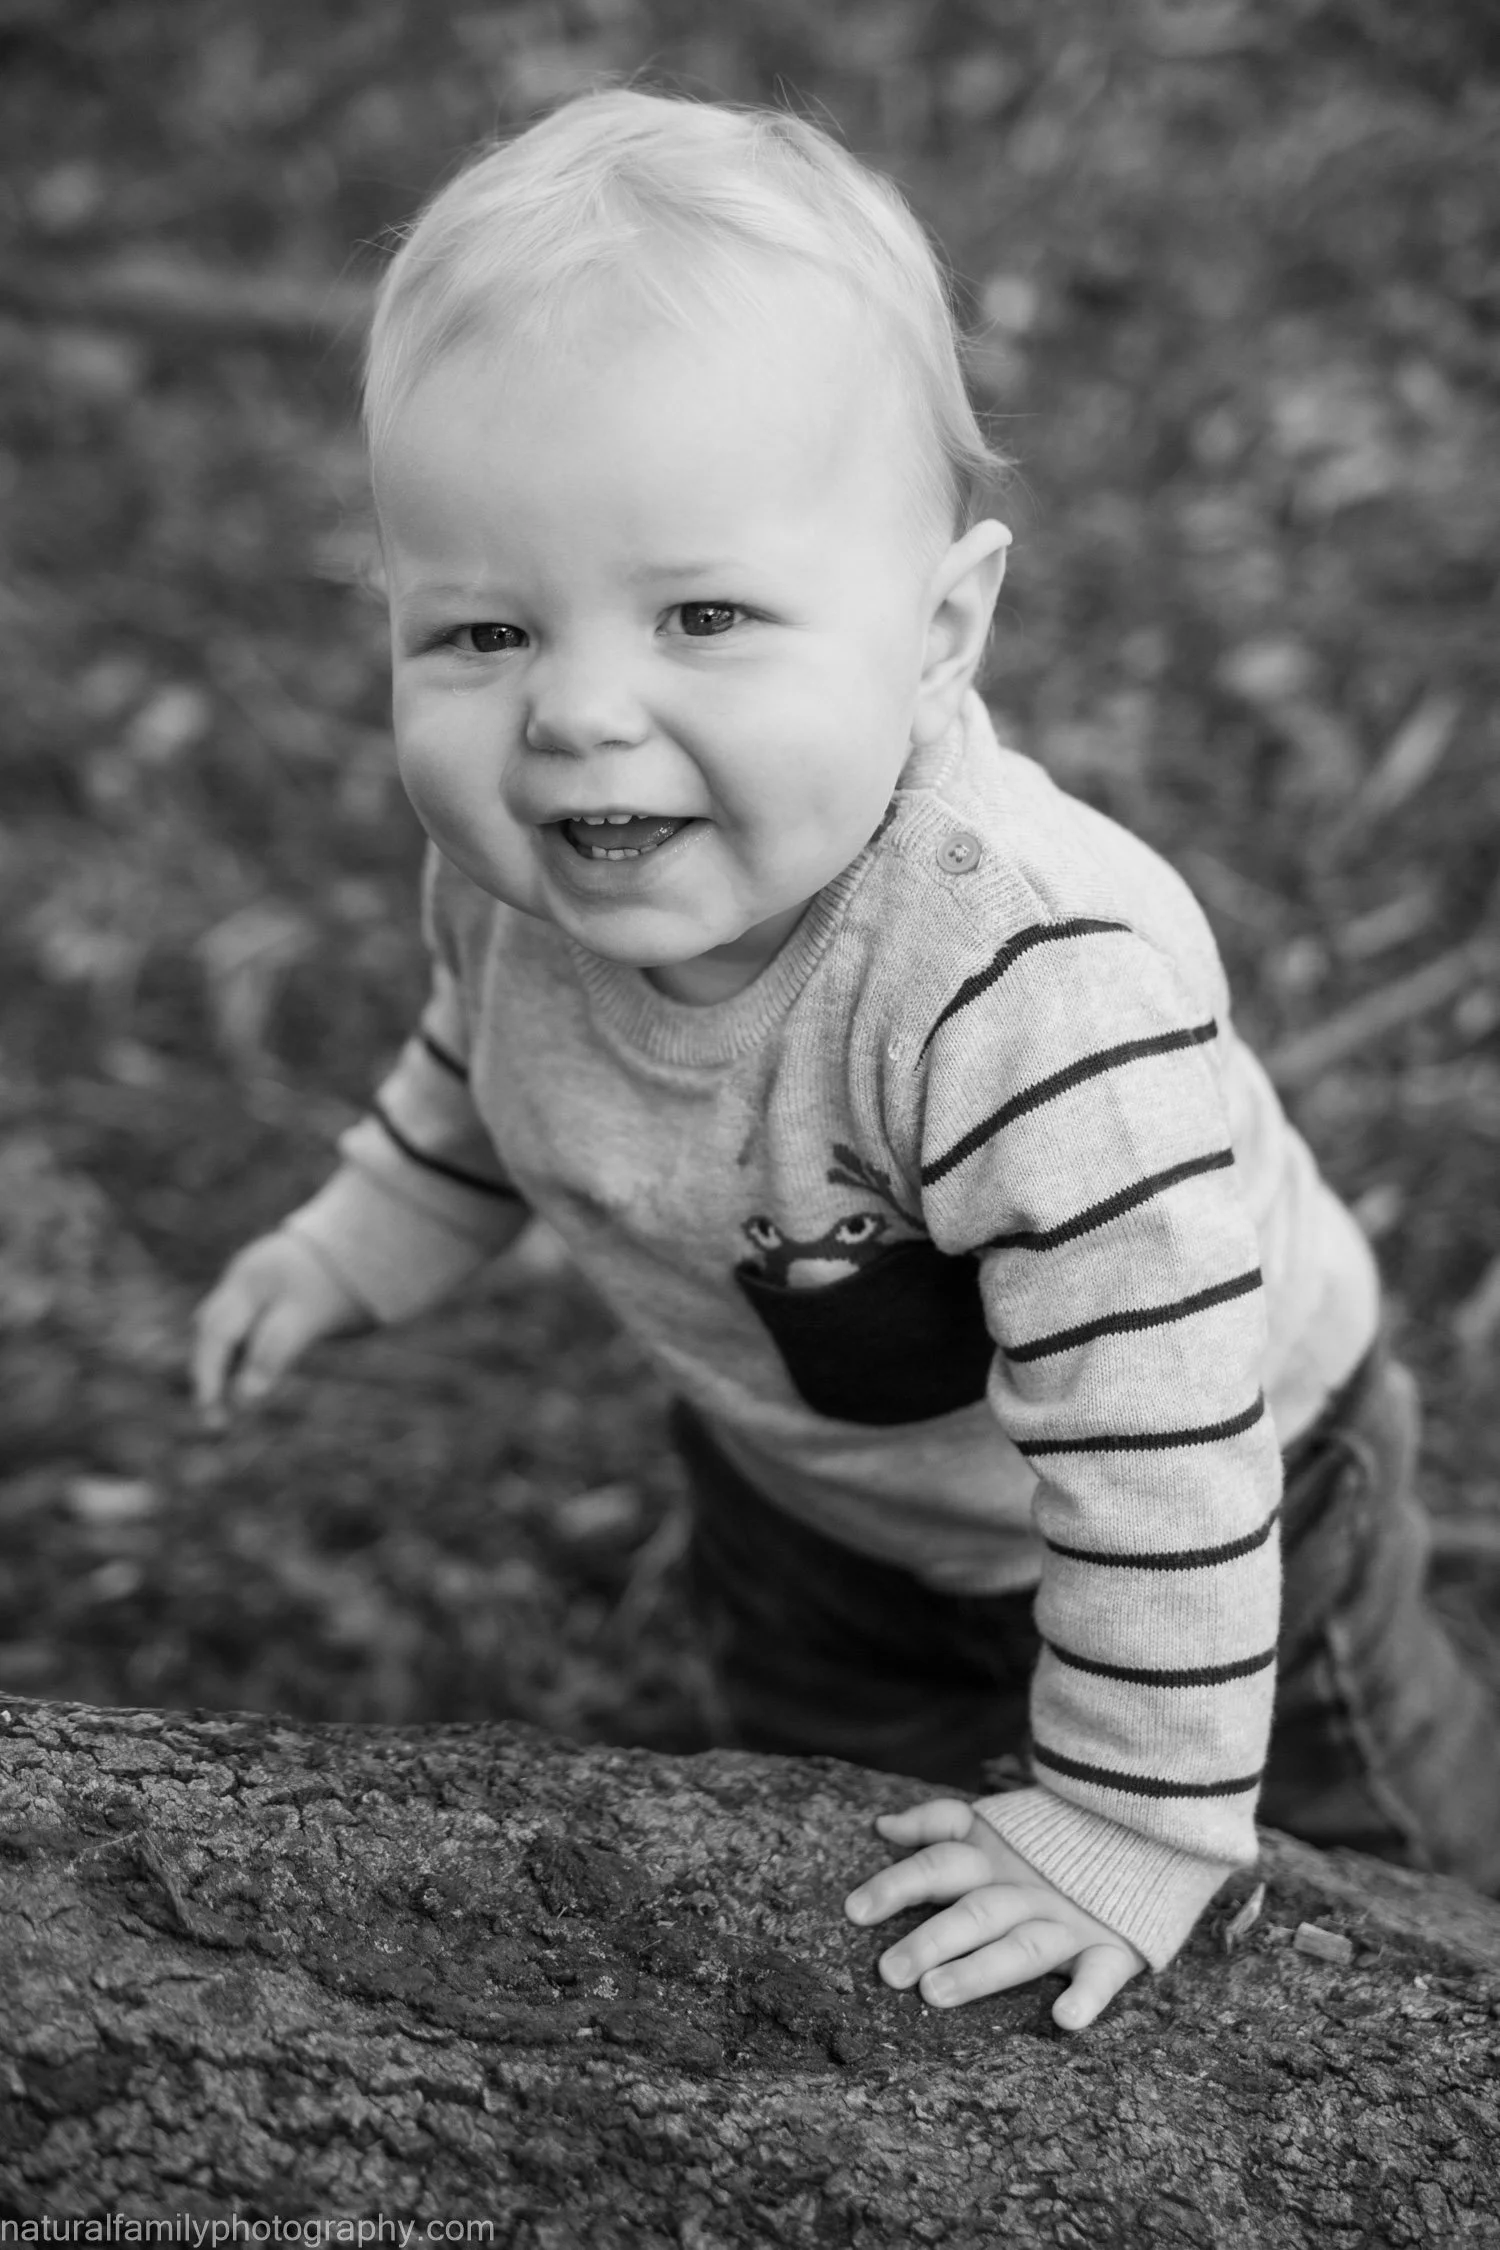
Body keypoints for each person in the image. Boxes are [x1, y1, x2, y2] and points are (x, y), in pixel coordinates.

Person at [192, 88, 1500, 2032]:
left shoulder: (1024, 987)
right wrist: (348, 1242)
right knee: (855, 1838)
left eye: (703, 614)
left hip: (1233, 1493)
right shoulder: (528, 881)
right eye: (480, 630)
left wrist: (1137, 1821)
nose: (574, 715)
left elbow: (1166, 1465)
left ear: (940, 630)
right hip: (810, 1503)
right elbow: (477, 1077)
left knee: (1360, 1865)